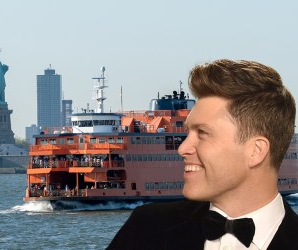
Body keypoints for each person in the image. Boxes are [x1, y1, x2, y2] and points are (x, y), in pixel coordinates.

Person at [107, 59, 298, 250]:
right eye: (188, 132)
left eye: (203, 133)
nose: (182, 149)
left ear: (256, 151)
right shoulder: (146, 228)